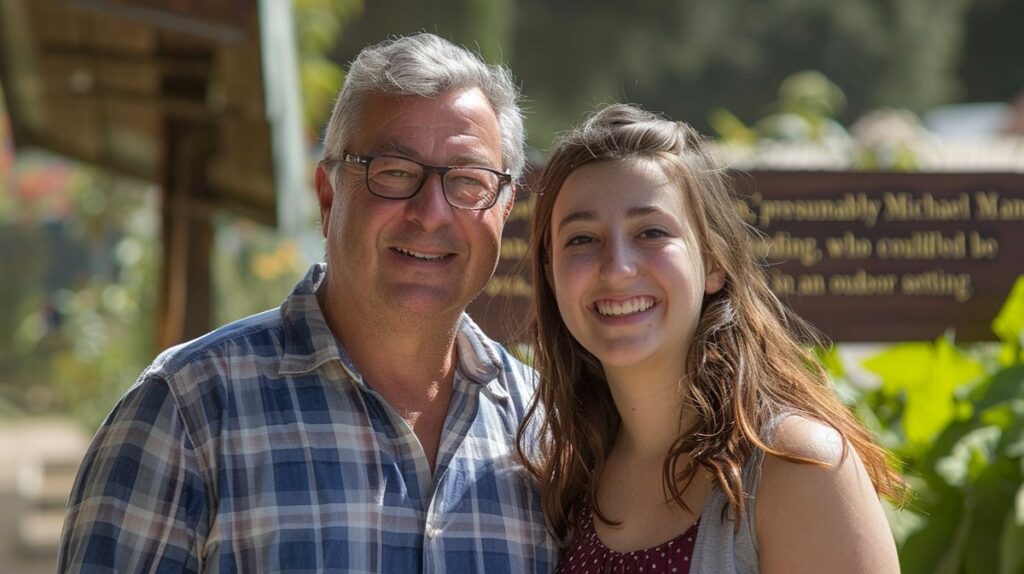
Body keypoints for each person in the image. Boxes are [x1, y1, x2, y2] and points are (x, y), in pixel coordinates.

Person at [59, 33, 558, 573]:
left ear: (505, 208)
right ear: (328, 195)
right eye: (394, 172)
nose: (431, 212)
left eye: (467, 181)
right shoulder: (188, 412)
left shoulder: (544, 430)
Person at [517, 103, 906, 573]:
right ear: (550, 273)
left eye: (651, 232)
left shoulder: (796, 467)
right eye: (581, 238)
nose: (617, 268)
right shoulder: (565, 480)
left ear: (715, 262)